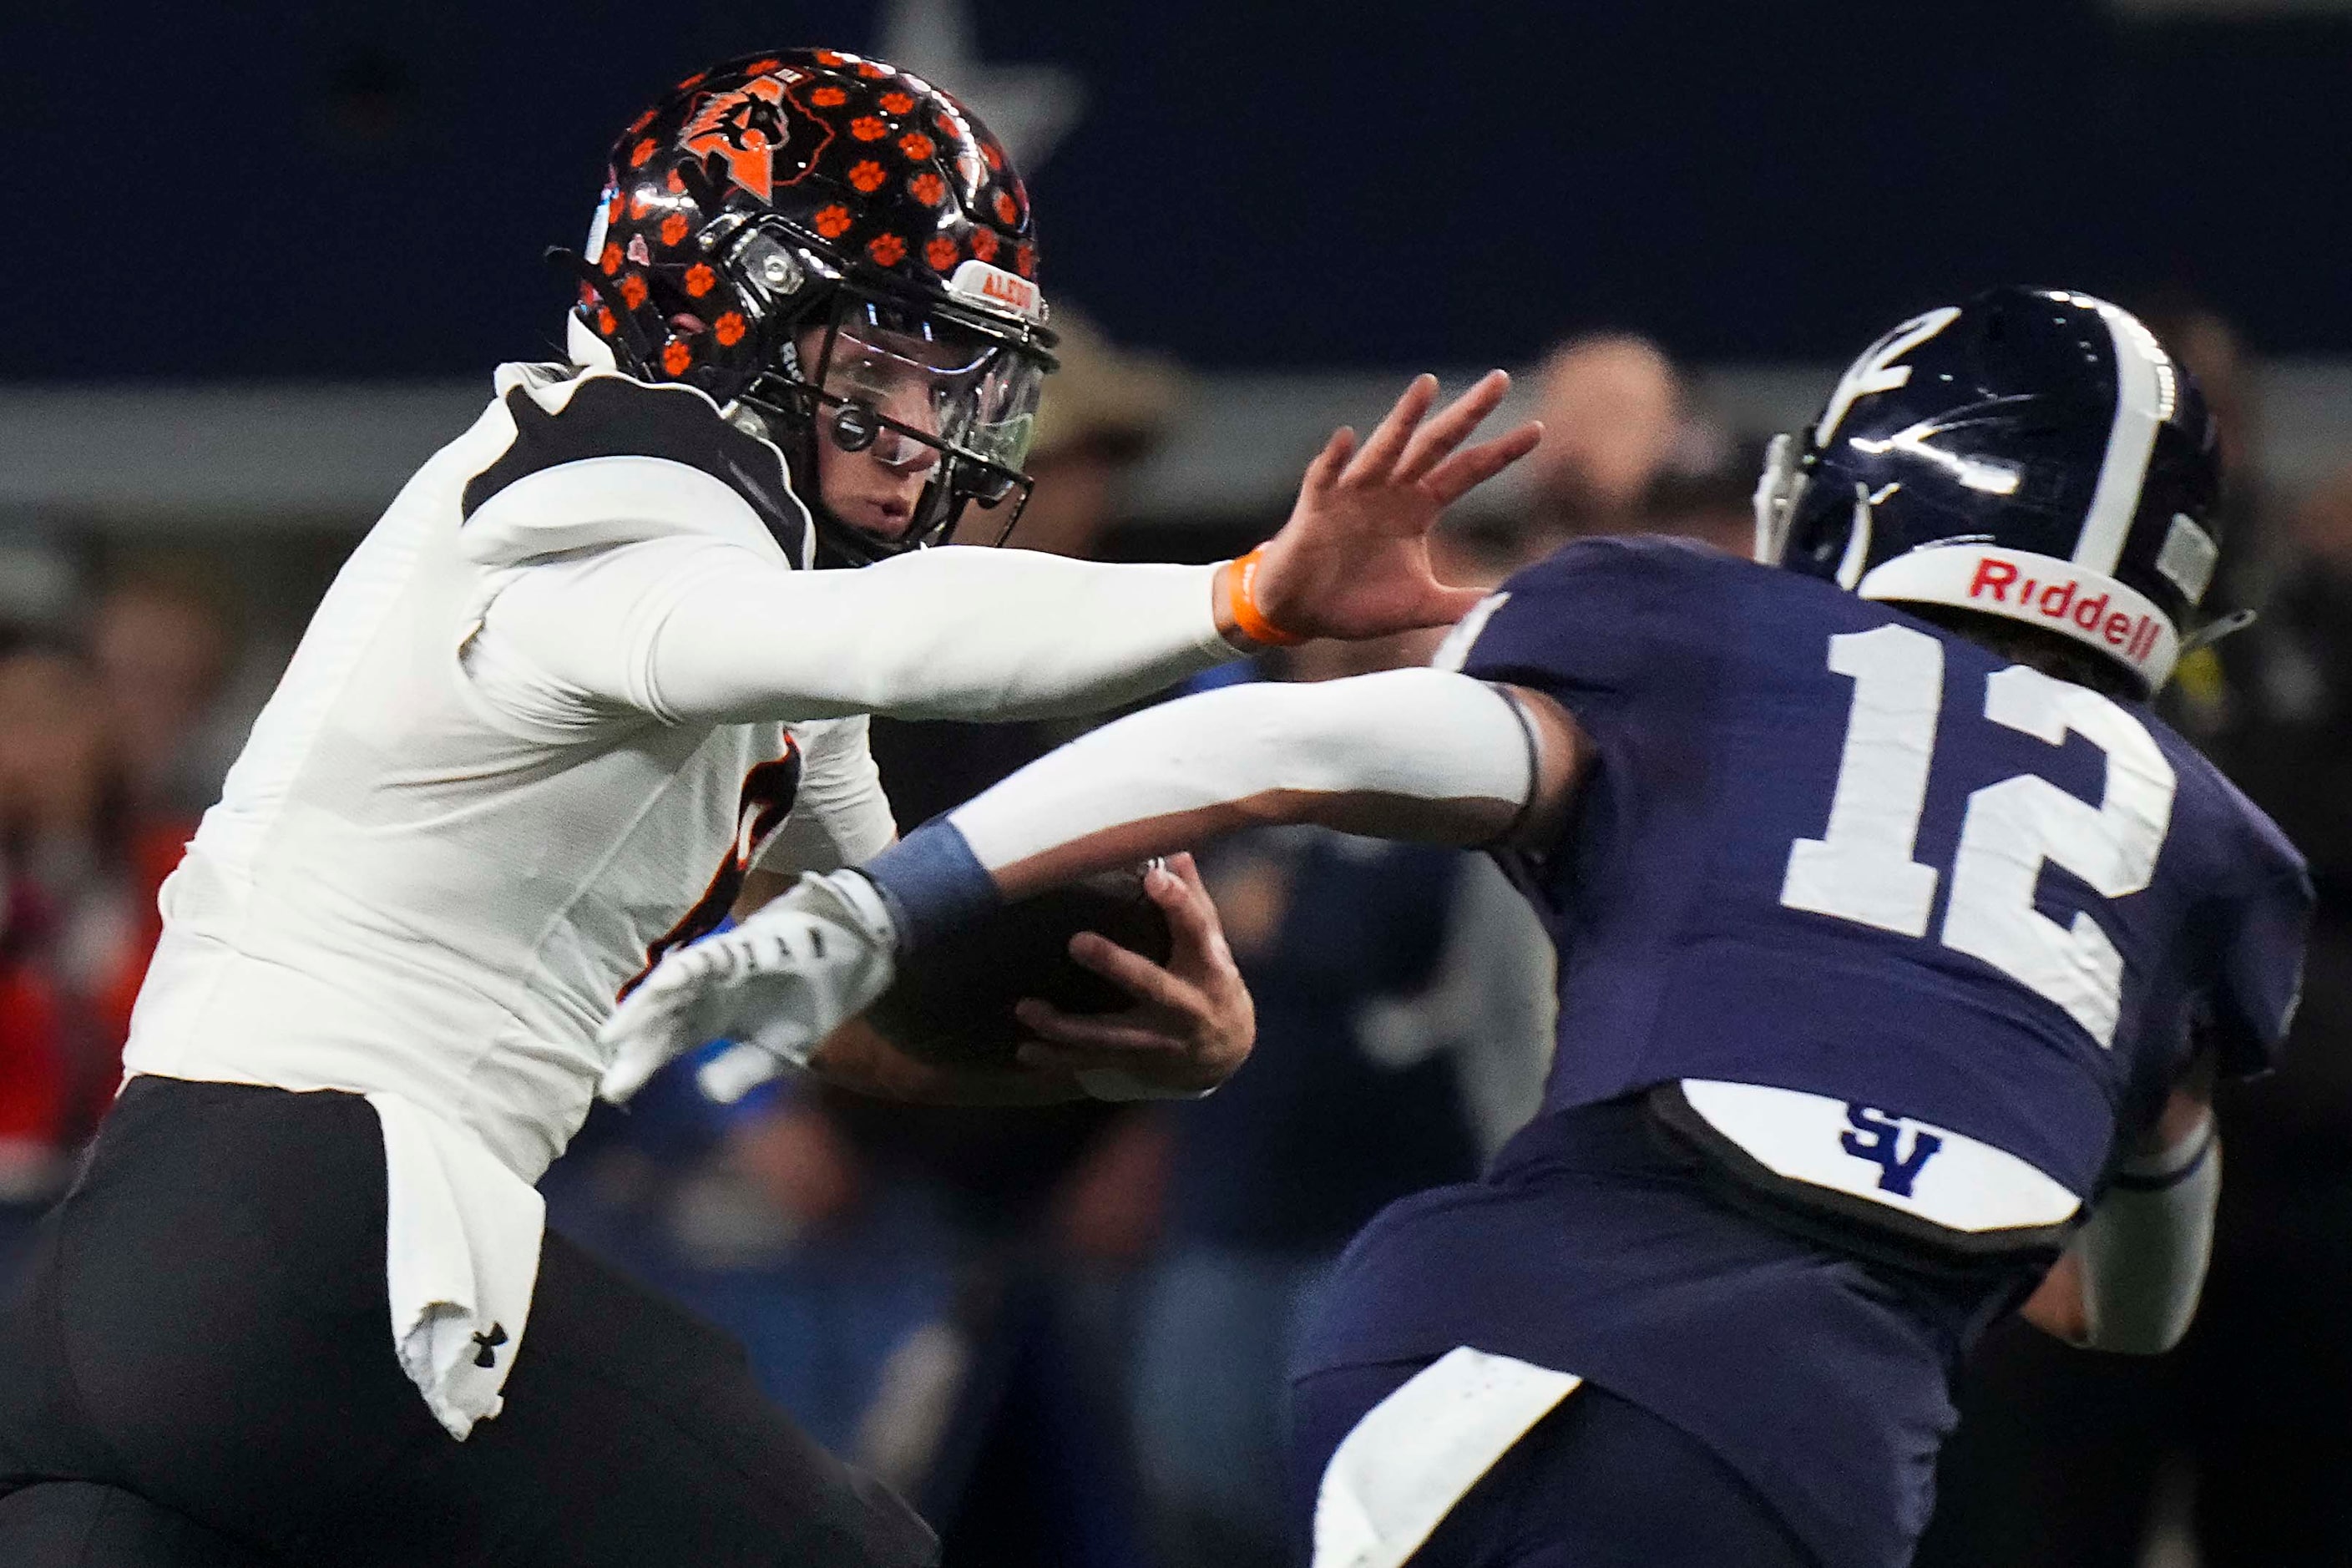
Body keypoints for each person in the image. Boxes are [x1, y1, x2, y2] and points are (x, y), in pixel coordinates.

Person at [0, 47, 1538, 1568]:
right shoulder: (609, 494)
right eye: (882, 361)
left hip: (143, 1277)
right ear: (730, 313)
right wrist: (1247, 596)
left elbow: (856, 992)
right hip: (322, 1226)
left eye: (950, 372)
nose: (929, 418)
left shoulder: (742, 594)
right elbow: (888, 636)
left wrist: (1144, 1054)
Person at [607, 287, 2314, 1568]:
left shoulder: (1705, 641)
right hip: (1776, 1439)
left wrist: (882, 901)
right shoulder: (2213, 855)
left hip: (1459, 1333)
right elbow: (2132, 1303)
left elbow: (1273, 741)